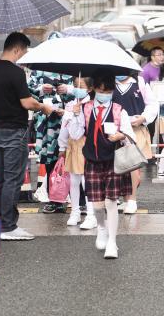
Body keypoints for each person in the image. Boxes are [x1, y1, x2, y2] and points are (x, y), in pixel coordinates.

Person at [0, 32, 54, 241]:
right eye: (23, 51)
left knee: (0, 177)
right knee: (13, 180)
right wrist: (43, 106)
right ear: (17, 49)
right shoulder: (15, 72)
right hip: (14, 130)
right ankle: (8, 226)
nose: (23, 55)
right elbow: (26, 102)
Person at [67, 71, 135, 259]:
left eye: (108, 90)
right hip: (92, 160)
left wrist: (121, 135)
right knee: (97, 206)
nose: (104, 93)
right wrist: (74, 115)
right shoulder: (85, 108)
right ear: (95, 89)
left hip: (113, 160)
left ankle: (112, 242)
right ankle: (102, 227)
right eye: (101, 90)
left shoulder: (119, 109)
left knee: (111, 202)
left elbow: (131, 135)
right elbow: (75, 134)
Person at [28, 39, 74, 214]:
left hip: (69, 120)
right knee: (49, 160)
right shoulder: (37, 69)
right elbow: (28, 89)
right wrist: (42, 88)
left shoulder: (71, 67)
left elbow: (82, 89)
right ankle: (54, 198)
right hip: (47, 122)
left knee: (71, 159)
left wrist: (67, 89)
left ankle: (72, 196)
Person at [113, 71, 158, 213]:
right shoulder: (109, 82)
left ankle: (132, 199)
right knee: (118, 165)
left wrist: (143, 118)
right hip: (115, 130)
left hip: (135, 130)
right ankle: (124, 199)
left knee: (133, 166)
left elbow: (152, 104)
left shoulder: (139, 82)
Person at [58, 77, 97, 230]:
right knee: (73, 180)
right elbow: (65, 128)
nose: (76, 88)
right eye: (75, 86)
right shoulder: (71, 104)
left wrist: (75, 115)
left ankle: (91, 215)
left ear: (89, 89)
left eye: (80, 86)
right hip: (72, 146)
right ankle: (75, 212)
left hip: (85, 144)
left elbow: (78, 132)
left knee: (86, 181)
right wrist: (61, 146)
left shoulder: (90, 105)